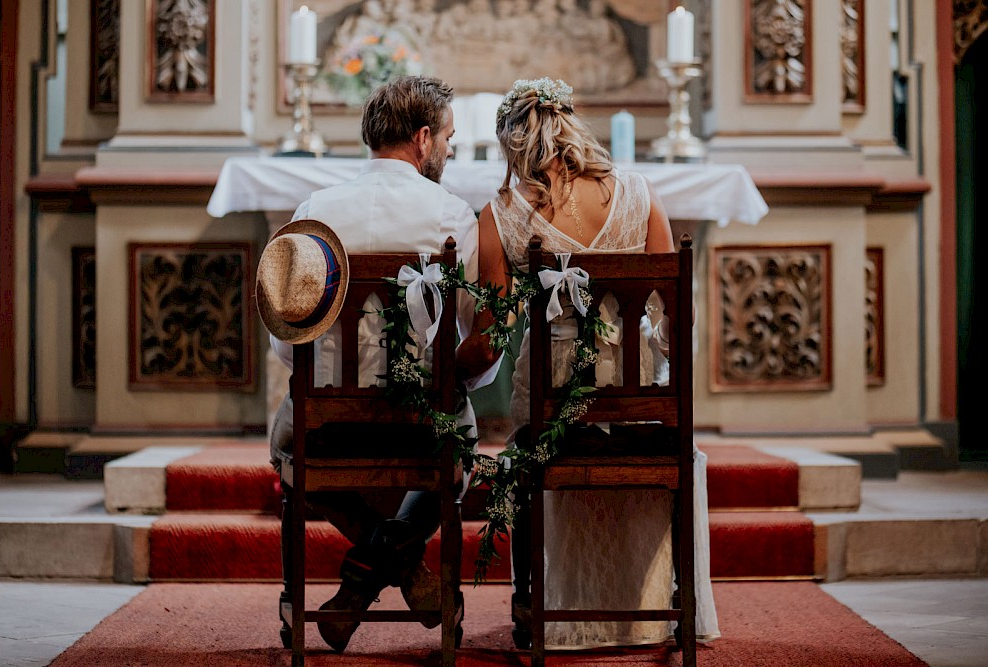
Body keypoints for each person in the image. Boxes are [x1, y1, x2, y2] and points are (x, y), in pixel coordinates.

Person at [470, 77, 721, 648]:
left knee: (528, 422)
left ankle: (534, 606)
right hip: (634, 402)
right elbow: (674, 318)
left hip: (551, 408)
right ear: (571, 127)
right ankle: (653, 604)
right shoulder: (638, 192)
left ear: (513, 144)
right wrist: (660, 378)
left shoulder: (503, 215)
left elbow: (494, 332)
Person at [262, 75, 494, 653]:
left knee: (288, 449)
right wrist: (453, 378)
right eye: (447, 139)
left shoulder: (314, 211)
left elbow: (288, 344)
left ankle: (365, 568)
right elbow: (478, 342)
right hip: (423, 428)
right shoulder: (453, 217)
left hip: (326, 428)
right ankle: (401, 562)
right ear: (422, 140)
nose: (448, 151)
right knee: (459, 448)